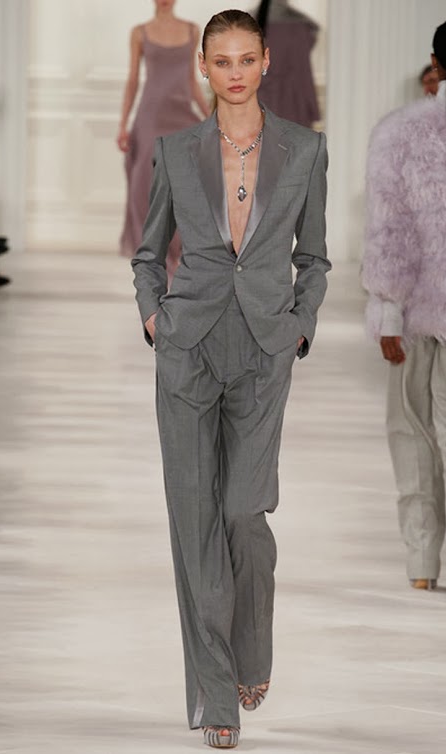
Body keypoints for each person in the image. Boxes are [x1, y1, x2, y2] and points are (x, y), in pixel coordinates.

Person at [131, 9, 329, 749]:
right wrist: (154, 317)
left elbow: (315, 257)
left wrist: (300, 324)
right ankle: (218, 694)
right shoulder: (177, 150)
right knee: (195, 525)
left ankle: (254, 643)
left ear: (266, 60)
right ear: (204, 67)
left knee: (245, 512)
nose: (236, 72)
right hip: (187, 346)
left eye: (247, 59)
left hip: (265, 347)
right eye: (223, 61)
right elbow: (149, 251)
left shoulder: (305, 149)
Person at [362, 17, 446, 601]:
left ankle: (420, 560)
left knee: (411, 429)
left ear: (433, 63)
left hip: (412, 311)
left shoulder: (397, 133)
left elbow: (388, 232)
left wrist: (387, 312)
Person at [119, 0, 210, 278]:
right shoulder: (140, 33)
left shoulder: (192, 30)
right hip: (150, 117)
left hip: (181, 115)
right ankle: (153, 254)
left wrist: (212, 117)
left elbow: (191, 80)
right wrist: (123, 125)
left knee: (185, 185)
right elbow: (133, 80)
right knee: (143, 185)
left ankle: (180, 252)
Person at [254, 0, 319, 127]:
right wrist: (311, 109)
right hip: (292, 101)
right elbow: (304, 71)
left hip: (262, 98)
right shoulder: (300, 26)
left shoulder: (249, 22)